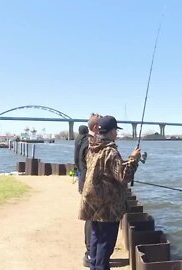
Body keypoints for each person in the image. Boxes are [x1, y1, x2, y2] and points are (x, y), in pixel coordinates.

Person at [79, 115, 141, 270]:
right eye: (116, 130)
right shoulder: (111, 152)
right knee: (105, 245)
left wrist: (124, 162)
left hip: (92, 203)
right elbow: (123, 176)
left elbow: (105, 170)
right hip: (107, 206)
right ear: (112, 131)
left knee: (96, 240)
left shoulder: (92, 148)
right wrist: (133, 160)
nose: (117, 134)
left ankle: (94, 267)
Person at [79, 113, 102, 267]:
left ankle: (91, 253)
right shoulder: (90, 144)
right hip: (90, 187)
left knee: (91, 220)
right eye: (102, 126)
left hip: (85, 183)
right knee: (91, 220)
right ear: (95, 127)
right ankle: (90, 253)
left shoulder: (85, 141)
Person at [74, 125, 89, 193]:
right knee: (83, 173)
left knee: (80, 173)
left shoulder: (77, 138)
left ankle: (80, 189)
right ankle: (82, 189)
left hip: (77, 158)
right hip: (82, 158)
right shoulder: (86, 138)